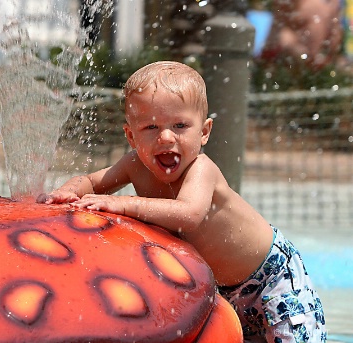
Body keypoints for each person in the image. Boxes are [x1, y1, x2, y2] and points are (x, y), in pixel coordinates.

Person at [39, 61, 326, 342]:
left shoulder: (201, 169)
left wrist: (122, 204)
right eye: (150, 127)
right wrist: (67, 192)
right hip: (223, 291)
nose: (165, 137)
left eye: (180, 125)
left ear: (203, 132)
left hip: (271, 278)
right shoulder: (134, 164)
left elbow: (189, 214)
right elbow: (90, 181)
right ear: (131, 135)